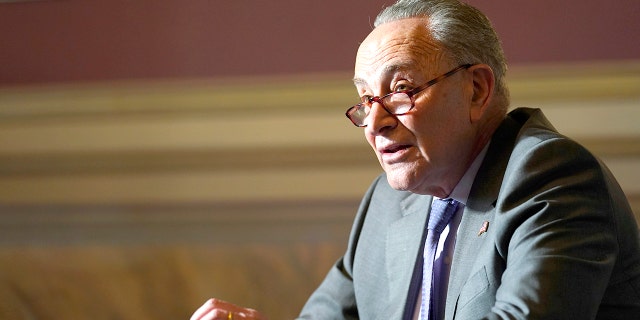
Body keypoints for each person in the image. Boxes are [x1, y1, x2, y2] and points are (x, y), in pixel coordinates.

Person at [191, 0, 640, 319]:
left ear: (477, 90)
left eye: (400, 90)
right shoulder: (386, 201)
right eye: (366, 99)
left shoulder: (550, 176)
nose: (375, 122)